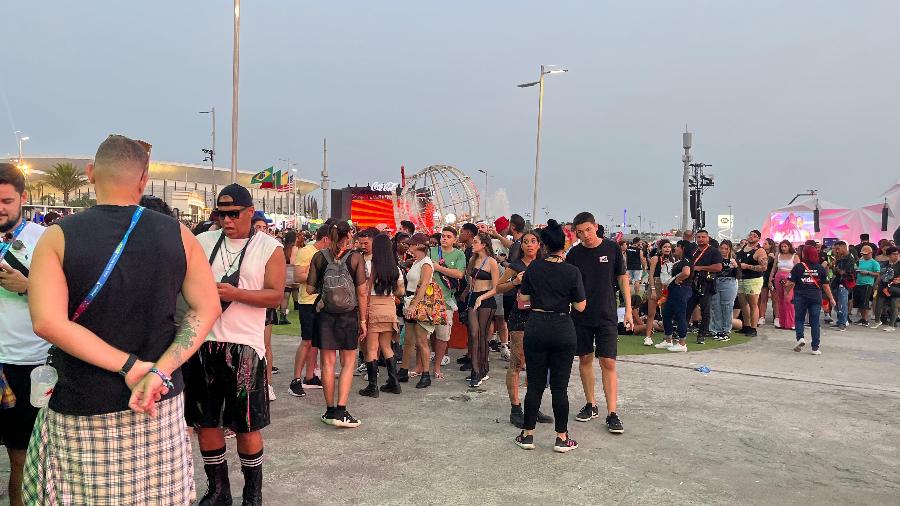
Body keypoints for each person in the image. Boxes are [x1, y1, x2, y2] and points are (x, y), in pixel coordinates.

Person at [24, 136, 221, 504]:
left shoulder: (57, 237)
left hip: (83, 407)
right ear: (143, 180)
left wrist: (129, 367)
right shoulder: (178, 235)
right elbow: (207, 308)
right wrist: (158, 371)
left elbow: (47, 323)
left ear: (89, 174)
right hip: (158, 403)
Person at [187, 184, 284, 504]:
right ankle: (218, 489)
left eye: (233, 214)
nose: (227, 221)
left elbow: (275, 296)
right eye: (221, 214)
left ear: (250, 211)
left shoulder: (269, 247)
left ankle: (252, 492)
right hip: (204, 343)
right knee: (206, 421)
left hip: (245, 346)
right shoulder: (203, 241)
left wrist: (234, 294)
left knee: (247, 425)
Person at [0, 163, 51, 506]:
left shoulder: (45, 239)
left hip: (28, 363)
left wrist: (27, 285)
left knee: (22, 454)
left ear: (23, 198)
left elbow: (70, 297)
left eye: (6, 200)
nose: (0, 208)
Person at [513, 220, 586, 453]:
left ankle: (527, 434)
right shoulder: (572, 271)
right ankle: (562, 437)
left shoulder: (534, 268)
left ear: (543, 244)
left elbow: (522, 299)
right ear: (563, 246)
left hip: (536, 325)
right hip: (563, 327)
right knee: (559, 387)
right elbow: (581, 306)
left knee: (534, 385)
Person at [567, 212, 631, 433]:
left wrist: (629, 310)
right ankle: (591, 404)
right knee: (585, 359)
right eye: (580, 232)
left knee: (608, 362)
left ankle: (612, 412)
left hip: (607, 315)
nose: (586, 235)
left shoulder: (612, 248)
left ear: (596, 226)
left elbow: (623, 278)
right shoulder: (574, 254)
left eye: (588, 229)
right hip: (581, 316)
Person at [306, 221, 368, 427]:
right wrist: (363, 320)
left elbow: (309, 289)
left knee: (327, 364)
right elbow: (361, 292)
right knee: (348, 362)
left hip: (325, 315)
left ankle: (330, 410)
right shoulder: (356, 258)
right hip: (348, 315)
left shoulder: (319, 257)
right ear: (348, 235)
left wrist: (327, 289)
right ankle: (342, 410)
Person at [496, 230, 551, 428]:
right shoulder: (515, 266)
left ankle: (532, 407)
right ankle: (515, 408)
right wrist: (515, 282)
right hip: (519, 317)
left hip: (541, 316)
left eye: (533, 241)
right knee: (517, 363)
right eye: (525, 242)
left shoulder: (545, 265)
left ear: (539, 244)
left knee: (536, 365)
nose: (529, 245)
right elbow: (498, 287)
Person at [360, 233, 405, 396]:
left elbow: (365, 290)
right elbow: (401, 290)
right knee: (387, 346)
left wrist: (362, 316)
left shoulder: (370, 265)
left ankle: (373, 387)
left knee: (372, 348)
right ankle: (394, 383)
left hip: (373, 306)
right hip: (389, 307)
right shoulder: (396, 268)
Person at [288, 225, 329, 398]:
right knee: (306, 341)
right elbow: (298, 276)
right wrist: (321, 275)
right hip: (308, 302)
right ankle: (295, 380)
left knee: (315, 342)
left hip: (322, 302)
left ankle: (310, 376)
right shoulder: (306, 251)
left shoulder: (328, 254)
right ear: (326, 239)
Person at [399, 233, 438, 388]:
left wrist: (414, 305)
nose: (409, 246)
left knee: (422, 341)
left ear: (418, 246)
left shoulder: (426, 263)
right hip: (410, 302)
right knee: (408, 340)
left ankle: (426, 374)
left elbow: (424, 286)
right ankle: (403, 370)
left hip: (419, 304)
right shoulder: (418, 262)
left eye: (411, 244)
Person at [463, 231, 500, 387]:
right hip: (473, 297)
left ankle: (481, 370)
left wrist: (481, 297)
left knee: (482, 335)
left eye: (476, 241)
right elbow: (469, 279)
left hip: (486, 299)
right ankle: (476, 370)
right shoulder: (472, 259)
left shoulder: (491, 262)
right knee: (474, 334)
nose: (473, 244)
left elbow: (496, 287)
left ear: (484, 244)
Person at [429, 226, 466, 378]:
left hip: (446, 300)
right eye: (443, 236)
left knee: (443, 336)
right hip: (428, 299)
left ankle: (437, 366)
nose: (444, 238)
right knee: (423, 336)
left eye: (448, 236)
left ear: (455, 239)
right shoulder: (431, 251)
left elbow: (459, 274)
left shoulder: (459, 254)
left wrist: (437, 267)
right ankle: (422, 366)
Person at [787, 246, 835, 355]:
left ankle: (800, 338)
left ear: (804, 254)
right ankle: (815, 348)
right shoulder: (820, 268)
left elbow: (791, 283)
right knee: (815, 322)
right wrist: (831, 298)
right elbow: (826, 285)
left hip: (800, 296)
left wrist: (786, 293)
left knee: (799, 318)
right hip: (815, 297)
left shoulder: (798, 267)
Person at [684, 230, 723, 344]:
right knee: (687, 309)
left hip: (706, 284)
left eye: (703, 237)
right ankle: (682, 331)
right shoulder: (693, 250)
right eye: (699, 237)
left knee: (705, 311)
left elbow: (718, 267)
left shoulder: (714, 251)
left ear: (708, 238)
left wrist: (700, 268)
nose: (701, 239)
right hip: (692, 284)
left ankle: (702, 334)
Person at [655, 241, 694, 351]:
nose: (675, 248)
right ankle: (668, 340)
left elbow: (686, 272)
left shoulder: (686, 260)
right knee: (666, 314)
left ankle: (682, 343)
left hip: (681, 290)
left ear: (683, 248)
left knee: (681, 315)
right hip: (673, 291)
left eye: (677, 246)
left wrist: (677, 279)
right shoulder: (679, 261)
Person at [736, 230, 770, 337]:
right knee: (743, 303)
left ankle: (753, 328)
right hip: (742, 278)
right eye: (750, 235)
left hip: (753, 279)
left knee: (753, 303)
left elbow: (764, 267)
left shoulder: (760, 251)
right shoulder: (742, 248)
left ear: (759, 238)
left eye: (754, 236)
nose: (751, 237)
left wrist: (748, 266)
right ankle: (746, 326)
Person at [644, 240, 674, 346]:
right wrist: (652, 289)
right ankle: (648, 337)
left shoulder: (672, 260)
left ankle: (667, 337)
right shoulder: (655, 258)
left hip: (666, 287)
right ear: (660, 248)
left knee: (666, 314)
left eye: (669, 247)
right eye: (665, 247)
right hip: (655, 285)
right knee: (651, 313)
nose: (667, 249)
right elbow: (651, 275)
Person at [710, 240, 739, 341]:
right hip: (715, 282)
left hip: (729, 282)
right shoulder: (715, 259)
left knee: (727, 306)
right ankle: (716, 330)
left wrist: (736, 266)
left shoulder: (733, 259)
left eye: (726, 248)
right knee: (715, 306)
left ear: (730, 249)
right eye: (721, 248)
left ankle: (726, 330)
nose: (723, 250)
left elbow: (739, 275)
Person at [769, 240, 799, 330]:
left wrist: (796, 281)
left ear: (789, 246)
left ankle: (791, 322)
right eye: (782, 247)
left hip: (790, 279)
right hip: (778, 277)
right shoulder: (778, 255)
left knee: (789, 300)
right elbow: (774, 268)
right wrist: (770, 280)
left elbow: (798, 269)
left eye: (785, 246)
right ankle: (782, 322)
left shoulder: (795, 256)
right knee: (780, 300)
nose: (783, 248)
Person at [829, 241, 856, 331]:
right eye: (835, 249)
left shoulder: (850, 259)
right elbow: (837, 273)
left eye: (838, 249)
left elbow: (847, 273)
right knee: (838, 303)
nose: (836, 251)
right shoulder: (840, 258)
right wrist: (834, 267)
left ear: (844, 247)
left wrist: (837, 269)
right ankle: (840, 321)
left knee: (842, 304)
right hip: (838, 283)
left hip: (845, 283)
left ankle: (843, 323)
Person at [872, 246, 899, 331]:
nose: (896, 255)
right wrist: (875, 284)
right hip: (883, 286)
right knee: (879, 304)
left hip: (894, 287)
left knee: (893, 305)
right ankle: (877, 321)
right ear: (889, 255)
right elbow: (880, 275)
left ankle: (891, 325)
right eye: (894, 254)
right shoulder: (885, 264)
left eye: (897, 254)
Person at [854, 245, 880, 326]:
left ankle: (865, 319)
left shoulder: (874, 263)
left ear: (871, 253)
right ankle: (862, 318)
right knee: (859, 302)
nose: (864, 256)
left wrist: (868, 272)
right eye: (863, 254)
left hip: (867, 283)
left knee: (865, 302)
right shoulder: (860, 261)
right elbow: (856, 268)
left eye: (866, 254)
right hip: (858, 283)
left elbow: (877, 274)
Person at [758, 238, 777, 326]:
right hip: (764, 276)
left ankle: (776, 317)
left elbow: (767, 263)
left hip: (772, 277)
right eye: (763, 243)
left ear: (770, 245)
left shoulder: (773, 254)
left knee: (774, 299)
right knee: (763, 298)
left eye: (765, 244)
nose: (763, 245)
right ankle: (762, 317)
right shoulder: (761, 253)